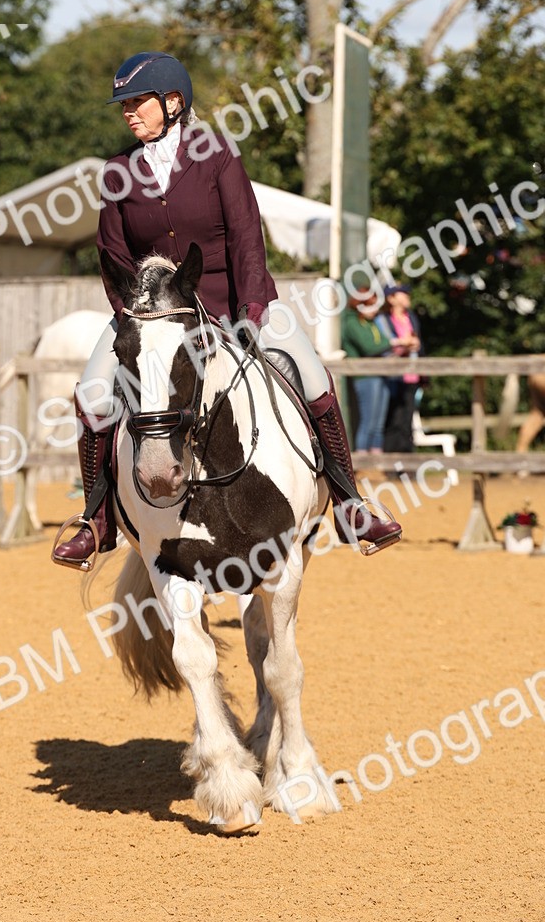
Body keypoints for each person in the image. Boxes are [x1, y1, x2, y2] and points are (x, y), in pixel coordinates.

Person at [51, 51, 401, 569]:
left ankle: (351, 502)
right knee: (93, 394)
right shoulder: (117, 171)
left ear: (173, 103)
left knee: (311, 376)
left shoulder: (216, 154)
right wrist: (132, 316)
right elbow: (113, 254)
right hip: (151, 315)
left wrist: (253, 306)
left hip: (231, 299)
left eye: (137, 102)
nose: (128, 112)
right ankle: (95, 519)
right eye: (123, 104)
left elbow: (245, 233)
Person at [340, 285, 394, 453]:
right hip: (364, 376)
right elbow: (370, 347)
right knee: (368, 422)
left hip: (379, 374)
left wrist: (388, 344)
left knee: (378, 424)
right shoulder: (351, 324)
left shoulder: (371, 323)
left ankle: (376, 462)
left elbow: (382, 342)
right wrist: (392, 343)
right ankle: (362, 461)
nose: (375, 309)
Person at [379, 285, 423, 453]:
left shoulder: (410, 317)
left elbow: (418, 343)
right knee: (393, 420)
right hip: (393, 375)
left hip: (411, 374)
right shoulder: (385, 319)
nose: (406, 296)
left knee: (407, 421)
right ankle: (391, 461)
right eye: (402, 294)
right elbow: (386, 347)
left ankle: (407, 462)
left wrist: (414, 345)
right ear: (391, 298)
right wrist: (403, 345)